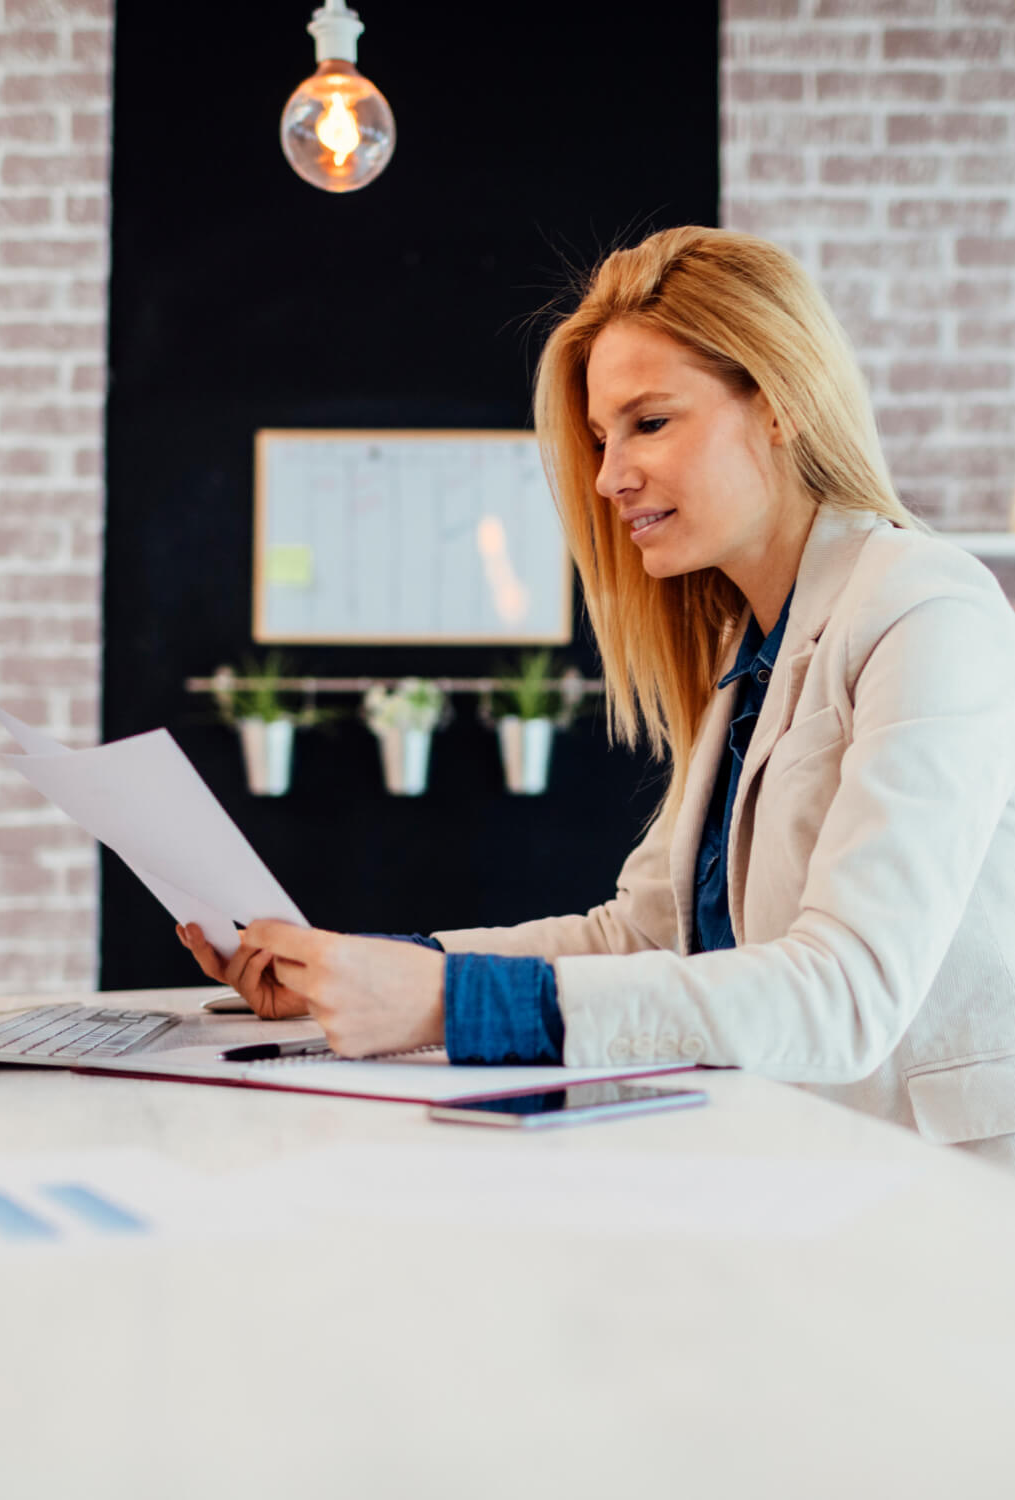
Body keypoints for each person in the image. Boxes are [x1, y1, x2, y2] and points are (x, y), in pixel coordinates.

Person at [179, 225, 1015, 1166]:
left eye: (649, 423)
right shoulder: (748, 639)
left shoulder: (924, 603)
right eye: (599, 438)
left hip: (933, 1198)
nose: (610, 475)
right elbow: (638, 936)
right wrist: (368, 968)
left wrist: (444, 1005)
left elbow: (847, 992)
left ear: (778, 404)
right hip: (792, 1166)